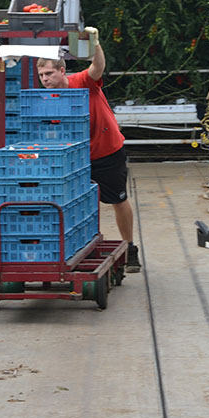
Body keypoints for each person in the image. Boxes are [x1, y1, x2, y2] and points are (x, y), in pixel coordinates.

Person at [36, 27, 140, 272]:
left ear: (62, 70)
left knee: (118, 199)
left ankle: (130, 247)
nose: (45, 79)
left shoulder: (82, 81)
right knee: (79, 204)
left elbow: (98, 67)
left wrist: (95, 43)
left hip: (106, 151)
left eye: (49, 73)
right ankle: (83, 248)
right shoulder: (48, 99)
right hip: (76, 158)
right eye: (41, 75)